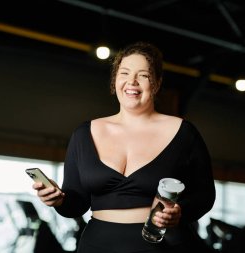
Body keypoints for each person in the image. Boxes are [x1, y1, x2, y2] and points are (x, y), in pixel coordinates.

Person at [32, 41, 216, 253]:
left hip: (161, 245)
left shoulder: (184, 133)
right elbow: (77, 204)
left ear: (156, 83)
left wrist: (180, 212)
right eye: (124, 73)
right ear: (115, 81)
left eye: (144, 75)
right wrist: (59, 199)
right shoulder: (84, 134)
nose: (132, 82)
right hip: (96, 245)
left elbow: (205, 195)